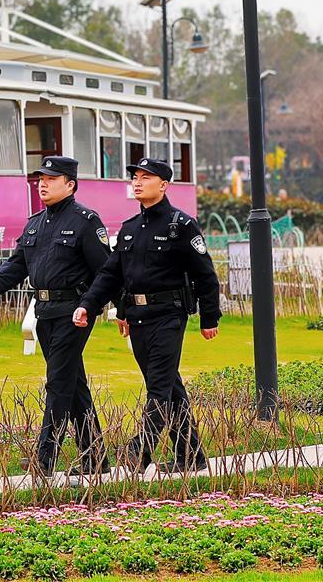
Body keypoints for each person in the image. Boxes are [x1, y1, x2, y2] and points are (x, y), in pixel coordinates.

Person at [72, 157, 221, 475]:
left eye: (146, 177)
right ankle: (191, 456)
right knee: (169, 386)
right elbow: (111, 275)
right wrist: (91, 305)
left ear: (164, 185)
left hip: (169, 315)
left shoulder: (180, 226)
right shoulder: (128, 230)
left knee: (158, 386)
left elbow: (205, 275)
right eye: (135, 177)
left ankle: (140, 452)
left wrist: (210, 318)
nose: (137, 182)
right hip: (138, 317)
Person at [0, 155, 111, 477]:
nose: (42, 184)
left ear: (70, 185)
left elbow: (106, 271)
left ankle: (44, 458)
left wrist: (108, 308)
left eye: (51, 179)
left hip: (74, 313)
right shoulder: (35, 223)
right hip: (44, 311)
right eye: (41, 178)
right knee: (73, 383)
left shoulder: (86, 221)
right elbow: (16, 265)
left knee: (58, 383)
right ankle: (95, 457)